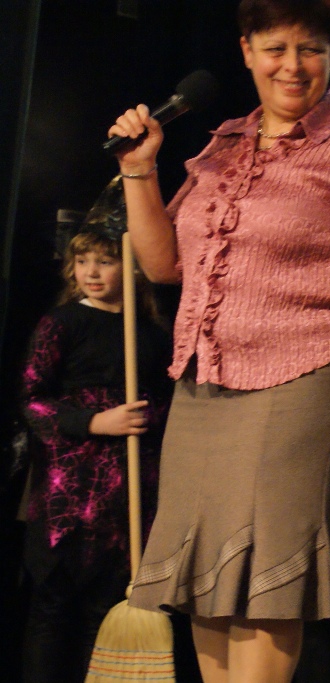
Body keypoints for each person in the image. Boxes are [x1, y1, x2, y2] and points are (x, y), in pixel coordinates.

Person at [104, 0, 330, 680]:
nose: (293, 66)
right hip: (203, 386)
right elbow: (164, 265)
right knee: (206, 580)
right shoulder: (225, 145)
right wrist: (140, 170)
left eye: (311, 49)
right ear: (246, 51)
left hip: (301, 379)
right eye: (276, 48)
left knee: (268, 579)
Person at [20, 179, 171, 683]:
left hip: (125, 495)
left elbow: (168, 403)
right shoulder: (62, 323)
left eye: (104, 261)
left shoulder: (150, 336)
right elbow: (32, 400)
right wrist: (93, 421)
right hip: (66, 493)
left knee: (102, 613)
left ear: (131, 266)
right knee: (51, 609)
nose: (91, 271)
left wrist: (148, 418)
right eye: (82, 261)